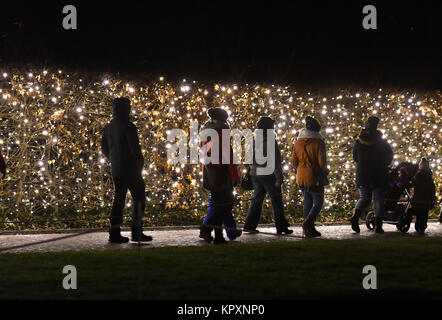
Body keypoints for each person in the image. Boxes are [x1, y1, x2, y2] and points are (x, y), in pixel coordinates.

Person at [101, 97, 152, 243]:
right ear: (125, 109)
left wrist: (113, 158)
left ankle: (114, 232)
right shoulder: (128, 126)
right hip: (130, 169)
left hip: (117, 168)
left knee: (119, 200)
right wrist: (138, 165)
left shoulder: (109, 127)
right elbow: (134, 150)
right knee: (139, 200)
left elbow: (104, 148)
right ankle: (136, 232)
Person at [244, 116, 292, 235]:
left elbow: (249, 159)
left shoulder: (254, 140)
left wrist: (252, 170)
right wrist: (279, 177)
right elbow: (275, 161)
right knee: (276, 200)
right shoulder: (270, 140)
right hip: (268, 175)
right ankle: (281, 226)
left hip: (256, 174)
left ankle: (249, 225)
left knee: (257, 200)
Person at [200, 108, 240, 244]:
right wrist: (234, 175)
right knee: (227, 204)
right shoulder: (222, 130)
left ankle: (218, 236)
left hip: (210, 171)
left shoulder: (206, 131)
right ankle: (207, 228)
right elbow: (227, 155)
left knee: (218, 205)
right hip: (222, 172)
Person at [350, 116, 393, 234]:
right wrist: (384, 164)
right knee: (378, 199)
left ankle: (355, 217)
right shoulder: (382, 142)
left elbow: (355, 157)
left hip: (362, 173)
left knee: (364, 197)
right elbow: (390, 156)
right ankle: (378, 225)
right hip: (379, 173)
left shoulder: (359, 142)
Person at [291, 116, 328, 237]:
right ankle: (308, 223)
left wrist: (302, 167)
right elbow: (322, 163)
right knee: (318, 202)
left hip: (301, 176)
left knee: (307, 201)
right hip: (314, 177)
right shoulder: (319, 143)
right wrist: (325, 171)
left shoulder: (298, 142)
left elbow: (294, 161)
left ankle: (307, 230)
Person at [410, 158, 436, 234]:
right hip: (426, 200)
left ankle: (418, 227)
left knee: (419, 214)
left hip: (418, 199)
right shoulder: (429, 177)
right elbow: (432, 188)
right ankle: (422, 227)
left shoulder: (418, 175)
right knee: (424, 214)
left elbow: (412, 184)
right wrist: (432, 198)